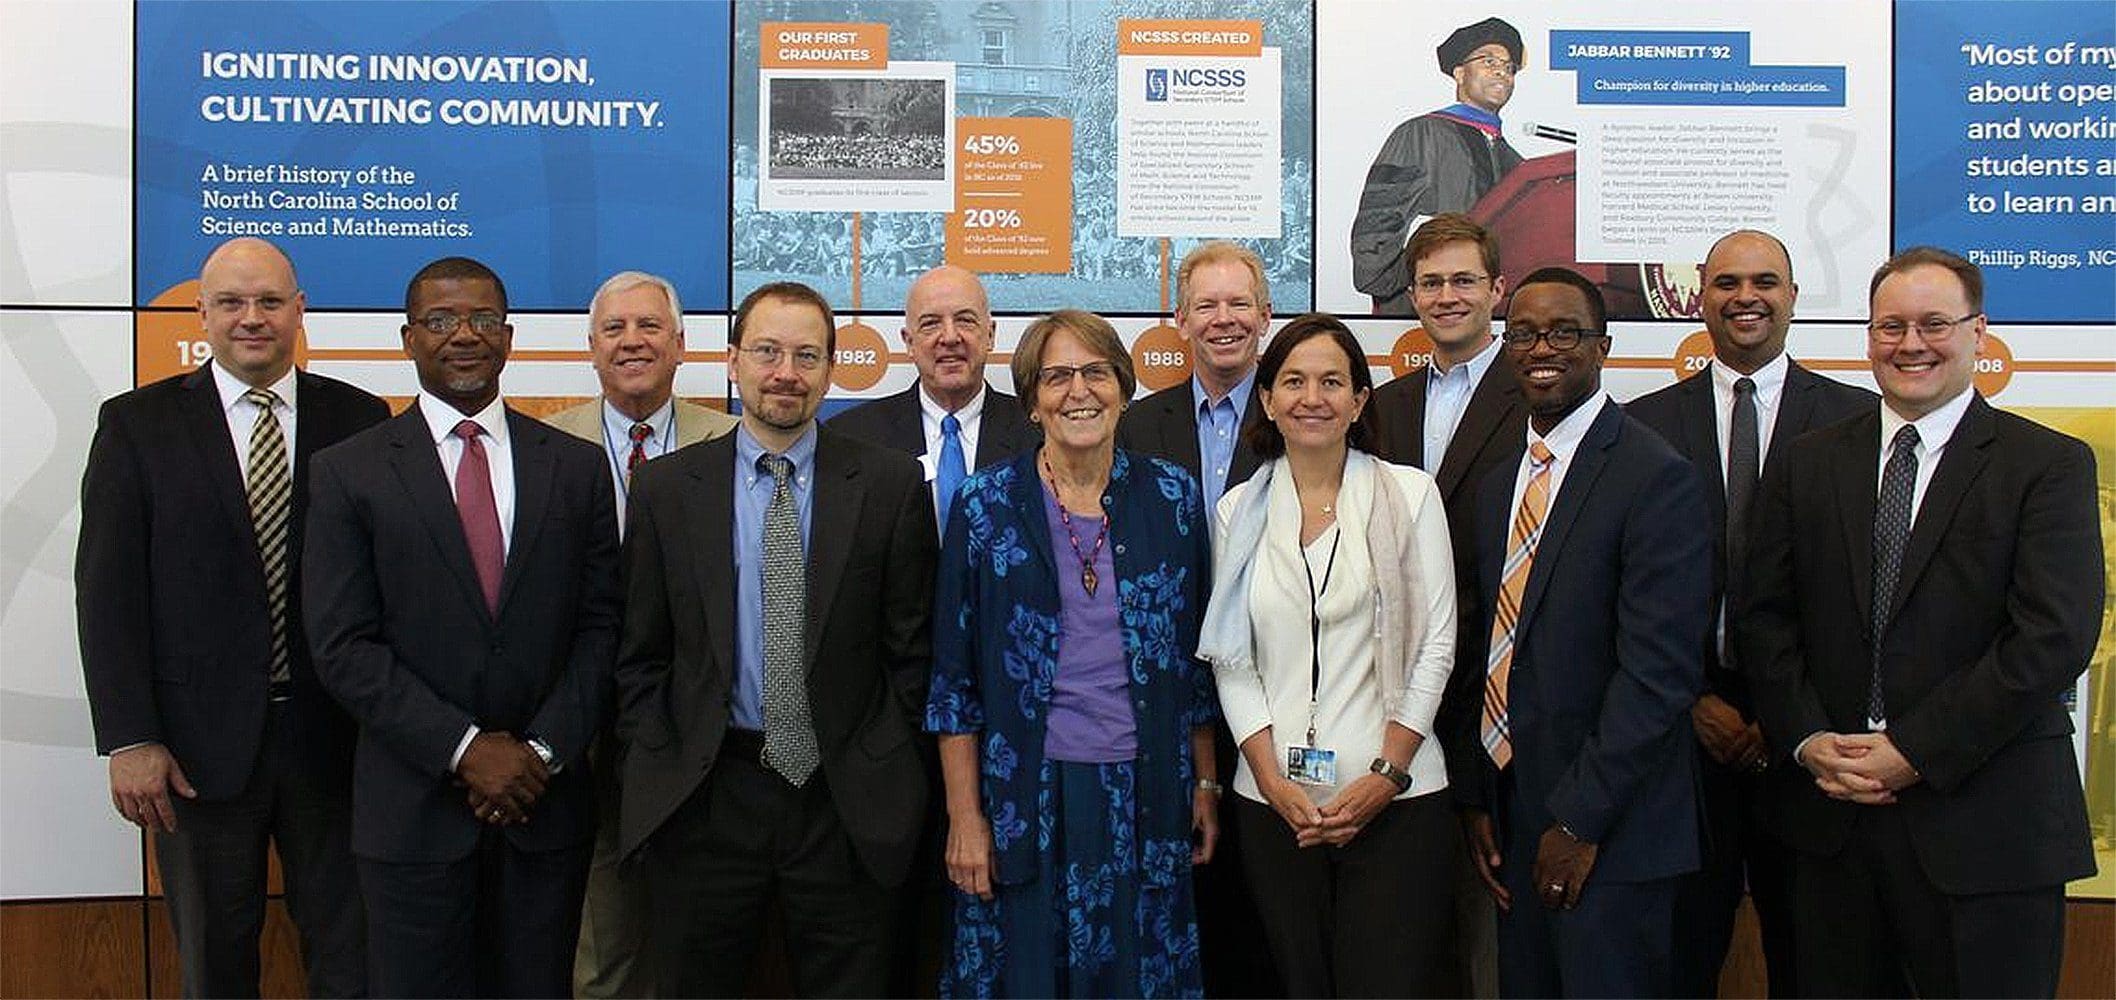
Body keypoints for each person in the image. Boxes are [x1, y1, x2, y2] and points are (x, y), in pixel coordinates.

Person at [1733, 247, 2101, 998]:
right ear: (1868, 336)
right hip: (1832, 825)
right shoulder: (1806, 464)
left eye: (1934, 324)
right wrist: (1806, 741)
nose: (1911, 344)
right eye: (1890, 326)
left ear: (1979, 332)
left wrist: (1912, 750)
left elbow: (2051, 639)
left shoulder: (2046, 465)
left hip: (1989, 828)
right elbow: (1764, 620)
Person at [76, 236, 386, 999]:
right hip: (191, 754)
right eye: (233, 303)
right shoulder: (136, 425)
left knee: (353, 957)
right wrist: (131, 736)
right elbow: (107, 595)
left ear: (299, 312)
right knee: (214, 964)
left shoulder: (362, 420)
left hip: (338, 746)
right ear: (203, 314)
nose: (253, 318)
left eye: (270, 302)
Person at [304, 256, 621, 997]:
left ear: (509, 338)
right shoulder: (349, 472)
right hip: (412, 812)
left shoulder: (575, 468)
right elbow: (343, 646)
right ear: (408, 339)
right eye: (441, 321)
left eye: (482, 318)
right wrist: (466, 748)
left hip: (545, 808)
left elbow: (603, 630)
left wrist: (537, 751)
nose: (464, 335)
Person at [614, 281, 937, 997]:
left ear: (829, 368)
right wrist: (656, 749)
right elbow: (640, 652)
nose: (785, 372)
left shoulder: (887, 485)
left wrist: (884, 759)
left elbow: (911, 652)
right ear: (732, 361)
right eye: (766, 351)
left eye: (806, 355)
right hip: (706, 794)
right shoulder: (667, 489)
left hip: (845, 798)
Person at [926, 309, 1221, 998]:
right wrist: (966, 818)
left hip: (1146, 794)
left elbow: (1194, 665)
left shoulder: (1174, 498)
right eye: (1056, 377)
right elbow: (953, 682)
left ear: (1123, 388)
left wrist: (1204, 784)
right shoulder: (984, 506)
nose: (1078, 391)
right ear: (1031, 402)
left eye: (1095, 373)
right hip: (1022, 799)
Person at [1440, 267, 1709, 997]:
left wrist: (1580, 824)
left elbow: (1659, 675)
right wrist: (1478, 796)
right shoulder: (1503, 484)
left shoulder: (1656, 477)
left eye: (1564, 332)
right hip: (1514, 812)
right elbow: (1490, 647)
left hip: (1609, 832)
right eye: (1523, 333)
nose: (1541, 348)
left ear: (1604, 346)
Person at [1624, 229, 1874, 997]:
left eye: (1765, 281)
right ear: (1701, 298)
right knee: (1678, 958)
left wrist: (1788, 716)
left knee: (1814, 961)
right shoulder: (1640, 424)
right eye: (1727, 282)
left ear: (1795, 298)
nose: (1745, 297)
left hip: (1811, 744)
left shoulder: (1861, 424)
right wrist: (1691, 700)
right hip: (1680, 740)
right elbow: (1615, 590)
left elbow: (1868, 594)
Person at [1197, 313, 1461, 996]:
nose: (1311, 397)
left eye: (1331, 382)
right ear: (1267, 400)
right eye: (1293, 381)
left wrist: (1385, 775)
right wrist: (1270, 782)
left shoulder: (1409, 494)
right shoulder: (1237, 511)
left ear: (1359, 401)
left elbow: (1435, 645)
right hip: (1275, 809)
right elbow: (1232, 659)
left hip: (1397, 804)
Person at [543, 269, 736, 999]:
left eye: (650, 326)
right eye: (616, 329)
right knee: (602, 937)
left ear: (683, 344)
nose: (633, 342)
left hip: (703, 729)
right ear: (590, 349)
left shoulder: (732, 441)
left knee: (700, 939)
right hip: (580, 730)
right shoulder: (546, 447)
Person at [1365, 214, 1525, 997]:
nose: (1447, 296)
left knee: (1492, 942)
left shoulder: (1538, 396)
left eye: (1464, 280)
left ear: (1497, 289)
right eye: (1431, 283)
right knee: (1411, 939)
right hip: (1393, 703)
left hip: (1501, 696)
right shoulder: (1382, 408)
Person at [829, 264, 1040, 537]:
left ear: (990, 335)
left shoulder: (1038, 434)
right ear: (908, 342)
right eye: (930, 324)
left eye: (965, 320)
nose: (950, 337)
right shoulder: (853, 438)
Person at [1352, 17, 1526, 315]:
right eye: (1488, 61)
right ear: (1459, 73)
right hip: (1419, 314)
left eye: (1509, 67)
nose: (1502, 70)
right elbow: (1375, 239)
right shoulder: (1420, 134)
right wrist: (1426, 283)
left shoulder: (1519, 165)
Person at [1118, 240, 1272, 513]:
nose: (1223, 318)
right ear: (1182, 322)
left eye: (1238, 303)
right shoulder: (1138, 425)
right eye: (1206, 306)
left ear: (1264, 317)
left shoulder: (1293, 420)